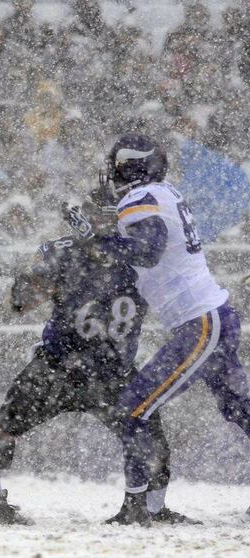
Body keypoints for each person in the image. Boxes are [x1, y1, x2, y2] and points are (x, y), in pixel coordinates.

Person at [0, 186, 193, 525]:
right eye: (96, 214)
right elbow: (19, 301)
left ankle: (151, 506)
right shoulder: (63, 251)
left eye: (108, 216)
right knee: (3, 429)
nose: (100, 222)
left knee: (150, 434)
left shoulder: (142, 257)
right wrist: (41, 281)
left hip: (113, 370)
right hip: (59, 365)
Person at [93, 134, 250, 524]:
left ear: (130, 167)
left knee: (134, 407)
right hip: (213, 316)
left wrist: (99, 239)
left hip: (200, 323)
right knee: (239, 408)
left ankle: (137, 507)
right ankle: (143, 506)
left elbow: (147, 251)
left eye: (117, 166)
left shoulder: (139, 198)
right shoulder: (163, 192)